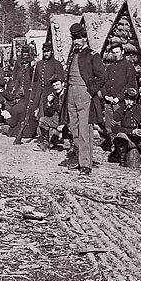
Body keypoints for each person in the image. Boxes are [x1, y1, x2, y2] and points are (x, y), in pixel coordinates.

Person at [59, 22, 106, 174]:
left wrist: (90, 91)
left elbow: (102, 76)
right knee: (74, 129)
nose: (76, 42)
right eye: (74, 39)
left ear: (85, 38)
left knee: (85, 130)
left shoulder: (92, 55)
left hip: (84, 94)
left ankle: (86, 164)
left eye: (79, 39)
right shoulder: (73, 55)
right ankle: (80, 160)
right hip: (71, 94)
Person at [34, 79, 69, 150]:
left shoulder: (68, 95)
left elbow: (70, 111)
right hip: (57, 119)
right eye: (54, 86)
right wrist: (49, 102)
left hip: (69, 119)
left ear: (62, 84)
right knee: (43, 120)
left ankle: (73, 145)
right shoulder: (54, 96)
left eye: (57, 85)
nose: (56, 87)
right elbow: (49, 113)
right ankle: (45, 144)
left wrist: (63, 123)